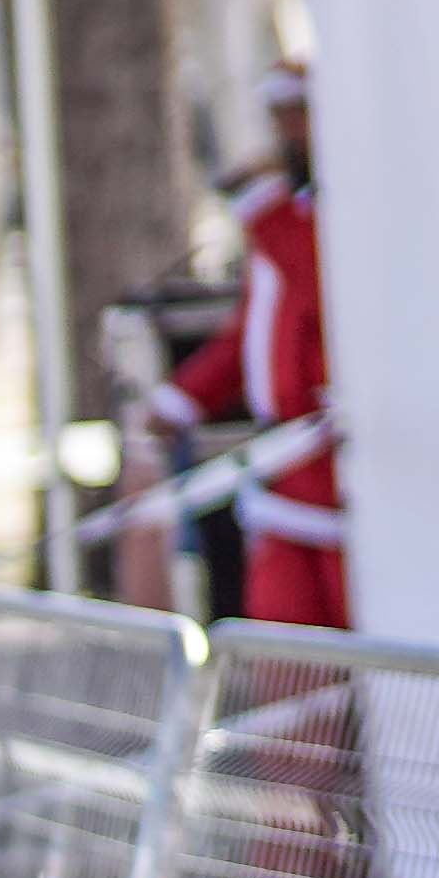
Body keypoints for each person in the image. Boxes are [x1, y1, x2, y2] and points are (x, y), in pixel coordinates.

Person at [135, 61, 340, 630]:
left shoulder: (316, 223)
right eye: (279, 118)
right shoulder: (280, 224)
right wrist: (181, 401)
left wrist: (259, 199)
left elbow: (314, 283)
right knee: (278, 632)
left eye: (297, 115)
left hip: (333, 471)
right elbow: (251, 331)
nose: (286, 132)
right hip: (280, 465)